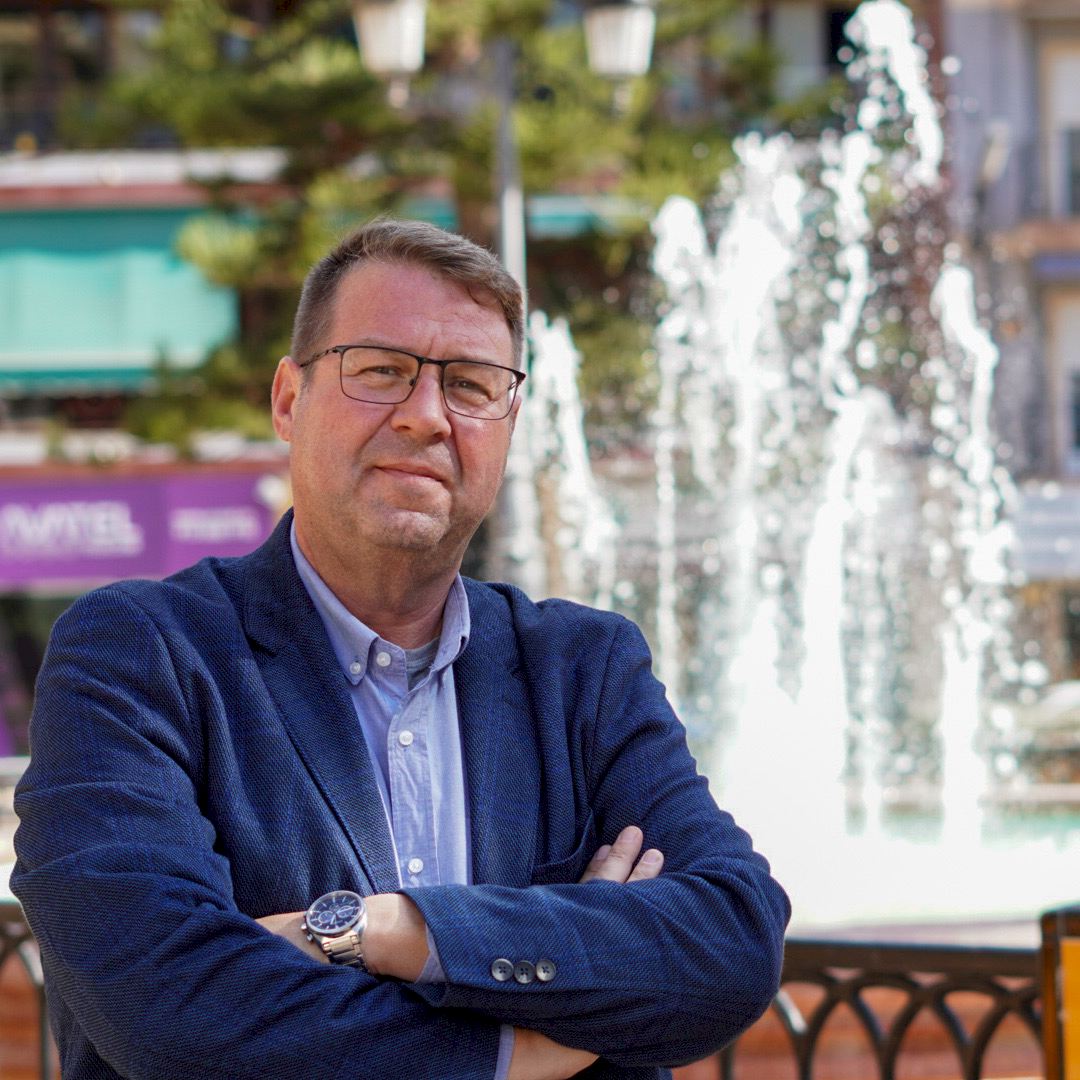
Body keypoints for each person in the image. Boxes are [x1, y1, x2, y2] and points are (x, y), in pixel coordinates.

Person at [13, 219, 789, 1080]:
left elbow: (731, 941)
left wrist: (381, 930)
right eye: (380, 370)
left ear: (509, 425)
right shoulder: (139, 655)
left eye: (471, 385)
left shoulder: (586, 671)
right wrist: (523, 1044)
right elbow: (166, 1004)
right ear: (288, 400)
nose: (425, 416)